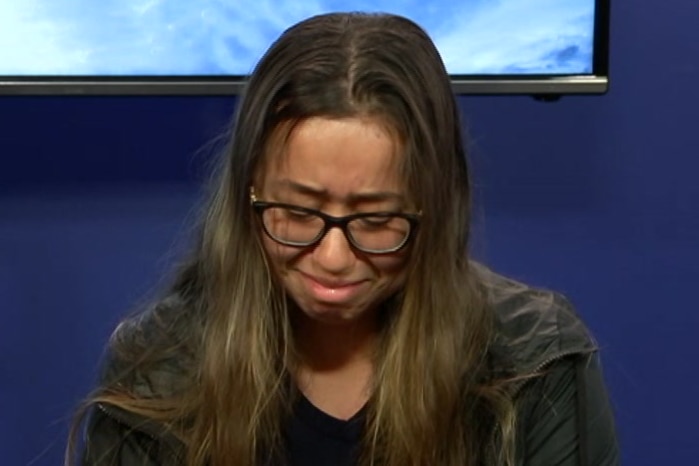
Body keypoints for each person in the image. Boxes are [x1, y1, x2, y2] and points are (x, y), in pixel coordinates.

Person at [67, 12, 619, 466]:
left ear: (436, 209)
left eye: (376, 221)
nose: (333, 258)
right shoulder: (159, 369)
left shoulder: (537, 366)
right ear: (247, 196)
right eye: (297, 212)